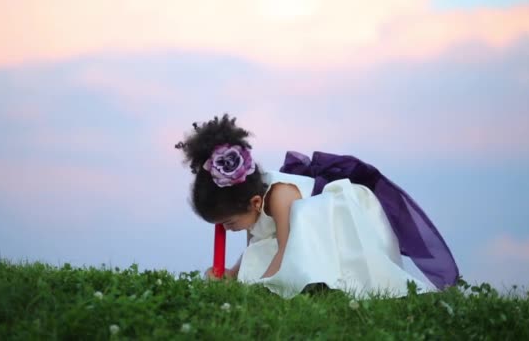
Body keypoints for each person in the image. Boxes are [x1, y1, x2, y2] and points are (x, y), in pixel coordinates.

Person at [175, 114, 459, 298]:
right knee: (263, 251)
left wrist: (256, 290)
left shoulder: (281, 197)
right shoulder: (252, 208)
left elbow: (289, 251)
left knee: (313, 244)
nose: (228, 229)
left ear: (255, 202)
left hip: (339, 218)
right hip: (305, 234)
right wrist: (233, 275)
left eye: (229, 223)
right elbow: (255, 249)